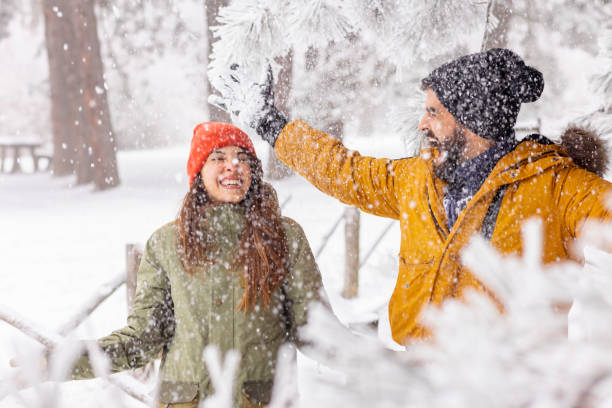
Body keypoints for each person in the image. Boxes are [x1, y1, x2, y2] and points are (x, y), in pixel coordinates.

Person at [210, 48, 612, 346]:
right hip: (419, 382)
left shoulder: (557, 186)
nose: (422, 123)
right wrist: (271, 123)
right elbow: (341, 169)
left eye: (434, 112)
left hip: (511, 387)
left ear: (473, 119)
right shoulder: (416, 179)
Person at [64, 122, 325, 407]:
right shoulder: (166, 243)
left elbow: (317, 330)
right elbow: (142, 339)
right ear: (199, 171)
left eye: (242, 158)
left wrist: (371, 361)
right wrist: (61, 362)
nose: (232, 166)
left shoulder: (284, 237)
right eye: (218, 158)